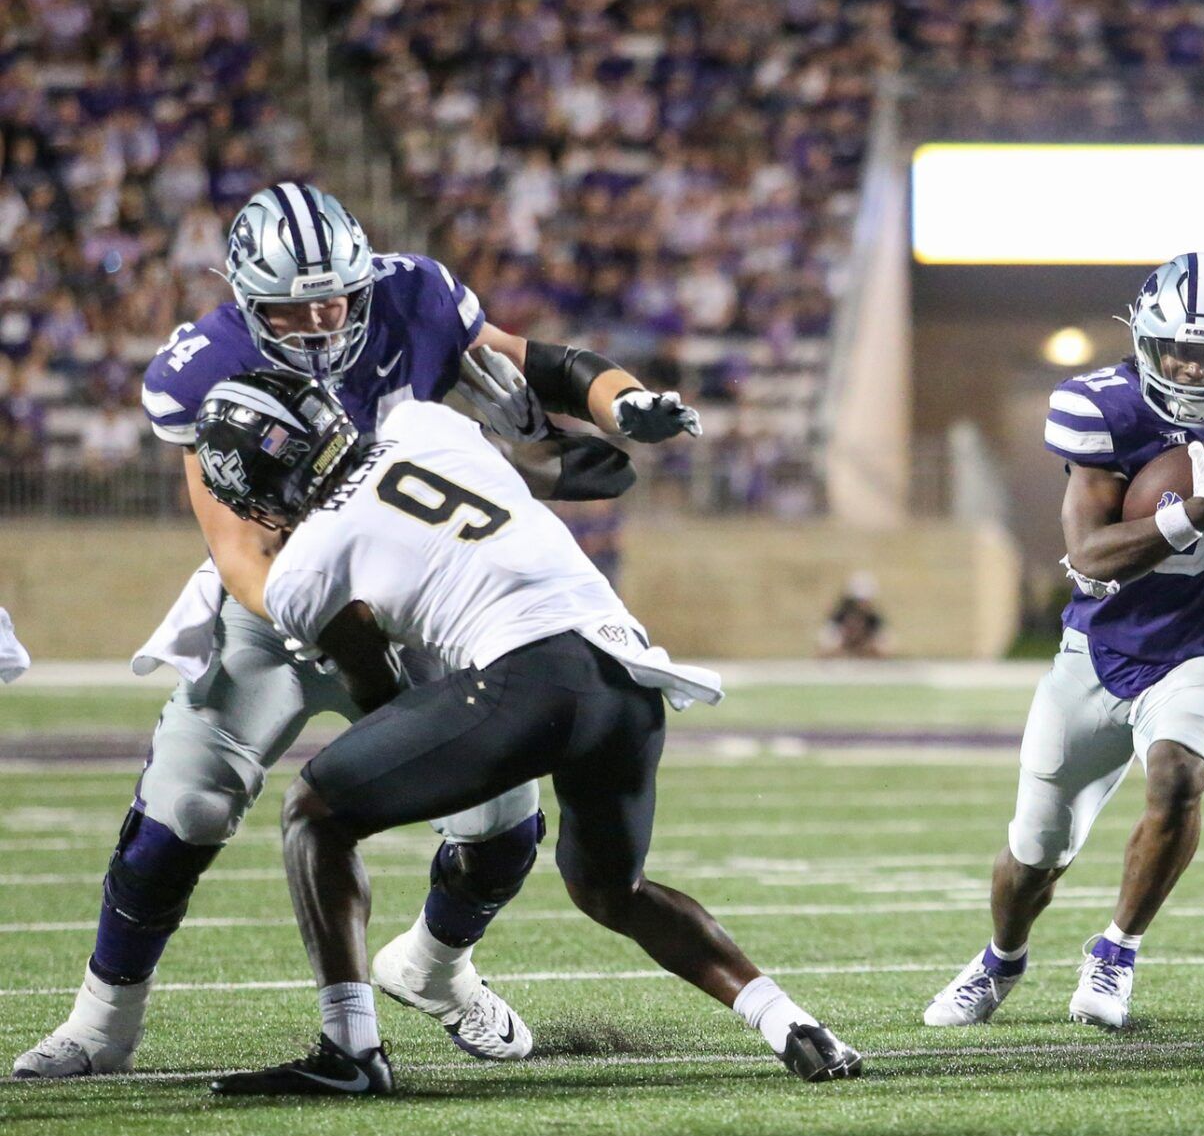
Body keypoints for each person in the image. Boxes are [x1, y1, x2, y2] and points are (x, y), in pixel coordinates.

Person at [14, 182, 701, 1080]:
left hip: (418, 600)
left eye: (336, 292)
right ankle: (102, 1021)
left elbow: (541, 364)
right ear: (246, 297)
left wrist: (622, 403)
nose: (324, 315)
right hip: (286, 605)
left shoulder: (410, 296)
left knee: (502, 820)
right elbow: (241, 554)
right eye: (296, 304)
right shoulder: (200, 366)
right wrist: (330, 621)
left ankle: (436, 969)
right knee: (188, 800)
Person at [190, 372, 862, 1094]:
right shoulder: (423, 425)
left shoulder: (302, 568)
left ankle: (350, 1049)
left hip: (528, 679)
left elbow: (379, 691)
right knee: (613, 888)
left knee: (315, 812)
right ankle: (791, 1022)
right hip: (626, 672)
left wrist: (439, 760)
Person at [924, 252, 1204, 1030]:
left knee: (1177, 774)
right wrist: (1186, 515)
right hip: (1095, 652)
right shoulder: (1106, 410)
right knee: (1033, 855)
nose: (1192, 370)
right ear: (1143, 342)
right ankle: (1001, 959)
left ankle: (1116, 951)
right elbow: (1088, 557)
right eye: (1177, 351)